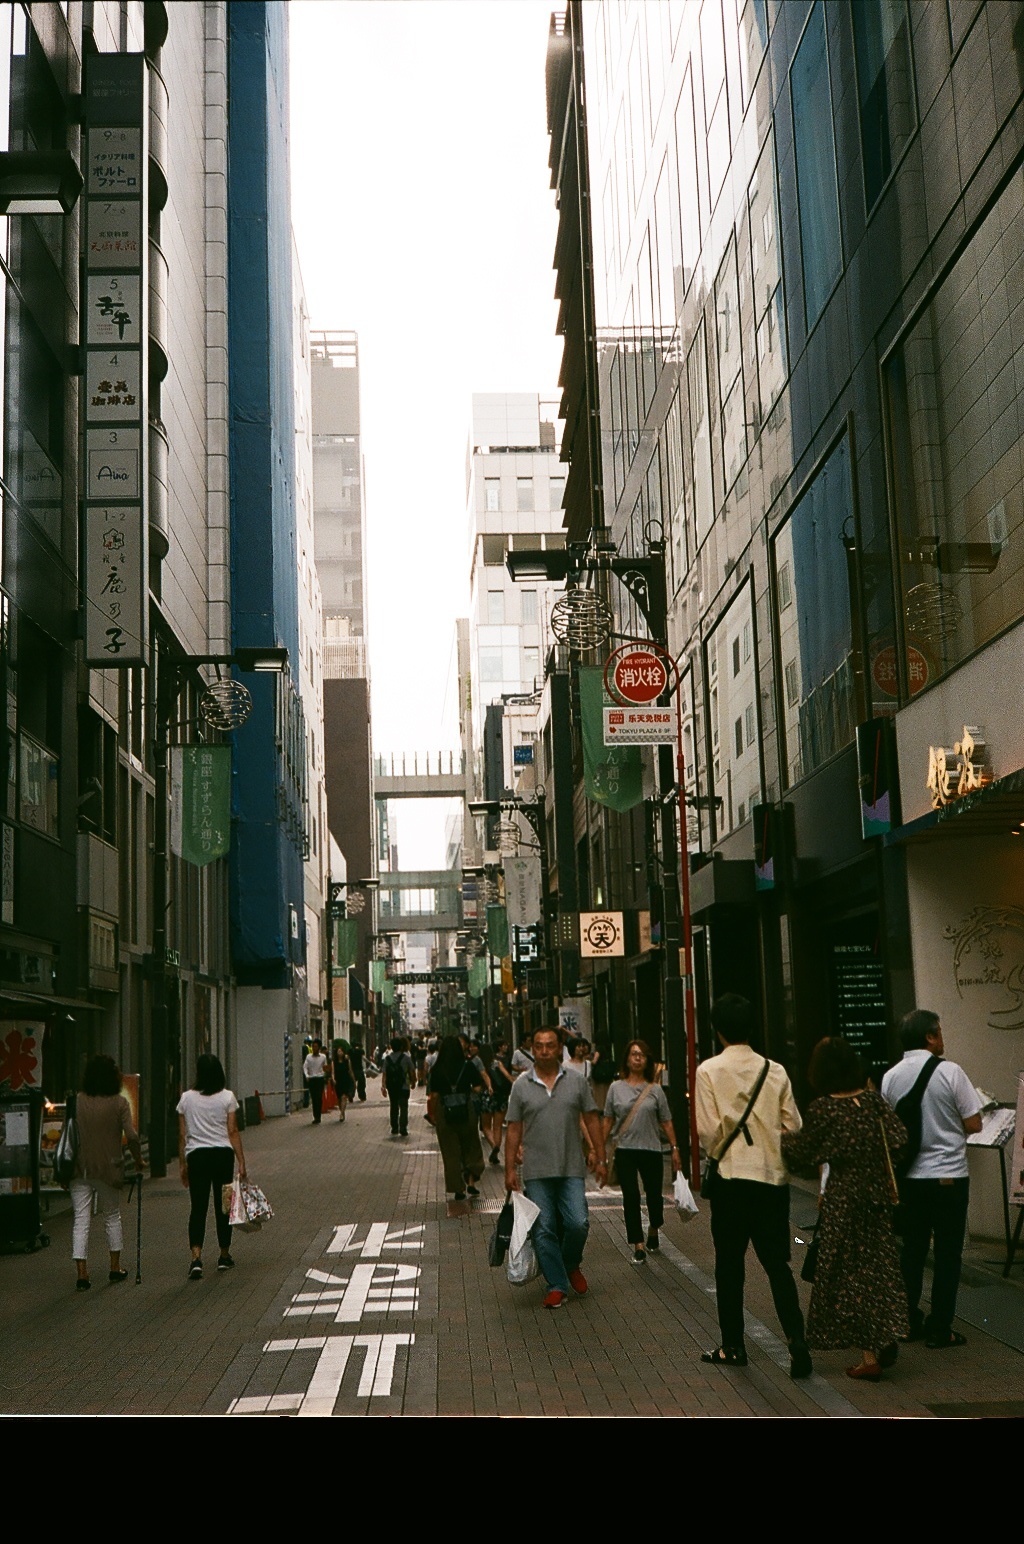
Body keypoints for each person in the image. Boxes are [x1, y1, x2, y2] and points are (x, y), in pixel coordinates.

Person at [694, 993, 811, 1378]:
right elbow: (793, 1126)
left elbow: (708, 1133)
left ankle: (733, 1346)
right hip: (771, 1180)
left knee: (729, 1266)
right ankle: (797, 1343)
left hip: (730, 1181)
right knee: (777, 1264)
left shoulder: (708, 1070)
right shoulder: (774, 1070)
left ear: (717, 1029)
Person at [782, 1037, 909, 1381]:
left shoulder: (824, 1109)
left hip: (842, 1201)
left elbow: (805, 1154)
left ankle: (870, 1353)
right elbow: (898, 1140)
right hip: (876, 1198)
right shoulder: (872, 1102)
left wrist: (780, 1136)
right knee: (877, 1269)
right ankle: (883, 1335)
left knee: (847, 1274)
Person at [880, 1008, 983, 1349]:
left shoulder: (890, 1077)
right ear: (929, 1036)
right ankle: (941, 1328)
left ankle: (908, 1320)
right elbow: (974, 1124)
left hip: (910, 1179)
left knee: (912, 1251)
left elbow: (890, 1128)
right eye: (938, 1031)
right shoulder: (951, 1072)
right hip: (949, 1177)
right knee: (948, 1254)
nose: (942, 1037)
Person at [504, 1025, 607, 1309]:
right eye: (539, 1046)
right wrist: (509, 1168)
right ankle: (557, 1283)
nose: (545, 1050)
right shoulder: (521, 1085)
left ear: (559, 1048)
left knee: (578, 1223)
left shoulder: (576, 1082)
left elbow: (592, 1118)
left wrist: (600, 1156)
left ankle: (570, 1263)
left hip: (571, 1167)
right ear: (532, 1050)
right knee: (544, 1228)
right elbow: (513, 1129)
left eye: (550, 1045)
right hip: (536, 1171)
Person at [69, 1055, 143, 1292]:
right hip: (109, 1168)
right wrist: (139, 1159)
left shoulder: (77, 1101)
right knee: (112, 1216)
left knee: (81, 1219)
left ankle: (82, 1272)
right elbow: (131, 1136)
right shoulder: (119, 1103)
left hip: (80, 1167)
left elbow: (67, 1134)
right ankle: (115, 1267)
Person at [603, 1040, 680, 1264]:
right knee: (631, 1195)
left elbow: (666, 1121)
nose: (637, 1058)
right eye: (633, 1054)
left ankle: (654, 1227)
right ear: (626, 1059)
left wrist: (675, 1149)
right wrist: (600, 1151)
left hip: (652, 1149)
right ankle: (638, 1244)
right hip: (625, 1150)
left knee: (654, 1196)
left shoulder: (655, 1090)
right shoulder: (615, 1088)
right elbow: (607, 1120)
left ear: (647, 1061)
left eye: (642, 1055)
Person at [177, 1053, 247, 1280]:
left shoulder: (186, 1099)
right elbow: (233, 1131)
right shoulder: (227, 1097)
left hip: (196, 1156)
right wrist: (242, 1161)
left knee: (197, 1208)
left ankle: (196, 1258)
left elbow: (182, 1135)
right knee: (223, 1207)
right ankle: (224, 1255)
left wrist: (182, 1164)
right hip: (222, 1155)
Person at [427, 1035, 486, 1201]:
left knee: (451, 1151)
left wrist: (433, 1115)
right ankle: (472, 1182)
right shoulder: (467, 1065)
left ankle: (457, 1188)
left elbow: (434, 1095)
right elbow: (477, 1087)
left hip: (444, 1111)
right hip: (466, 1110)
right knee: (471, 1145)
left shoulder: (437, 1069)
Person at [485, 1037, 515, 1164]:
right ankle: (496, 1148)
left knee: (487, 1125)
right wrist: (515, 1083)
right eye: (504, 1045)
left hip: (489, 1095)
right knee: (497, 1126)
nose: (506, 1047)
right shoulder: (503, 1061)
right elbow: (507, 1075)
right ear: (499, 1047)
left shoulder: (487, 1062)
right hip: (502, 1094)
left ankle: (494, 1147)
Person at [381, 1036, 414, 1136]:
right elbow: (412, 1071)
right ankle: (403, 1128)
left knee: (393, 1106)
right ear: (401, 1046)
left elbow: (384, 1074)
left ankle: (394, 1127)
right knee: (404, 1107)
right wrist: (413, 1082)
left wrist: (383, 1086)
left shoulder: (387, 1059)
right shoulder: (406, 1058)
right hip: (404, 1086)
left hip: (391, 1086)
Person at [303, 1039, 329, 1124]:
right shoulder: (308, 1057)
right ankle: (315, 1116)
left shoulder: (323, 1057)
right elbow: (305, 1067)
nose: (314, 1048)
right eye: (313, 1046)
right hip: (312, 1079)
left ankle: (318, 1116)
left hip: (320, 1078)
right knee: (314, 1098)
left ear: (319, 1048)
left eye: (316, 1047)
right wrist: (307, 1075)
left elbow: (325, 1067)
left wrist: (326, 1074)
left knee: (319, 1097)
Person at [331, 1040, 355, 1122]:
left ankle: (341, 1113)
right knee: (339, 1098)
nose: (339, 1053)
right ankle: (342, 1111)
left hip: (346, 1080)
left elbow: (350, 1070)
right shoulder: (334, 1062)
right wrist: (333, 1079)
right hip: (338, 1081)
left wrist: (353, 1080)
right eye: (338, 1051)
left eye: (341, 1051)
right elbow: (333, 1072)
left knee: (344, 1097)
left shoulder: (347, 1060)